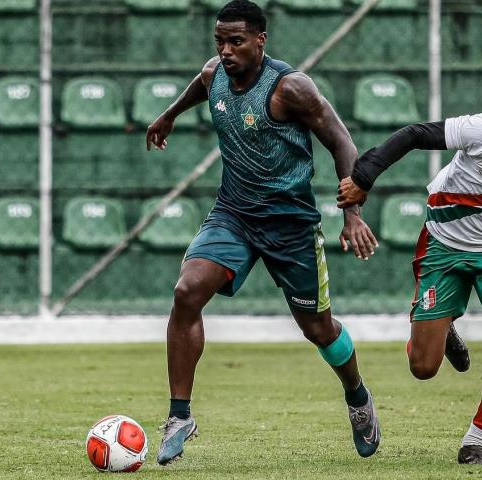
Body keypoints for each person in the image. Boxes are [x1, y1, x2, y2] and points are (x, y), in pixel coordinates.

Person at [146, 0, 380, 465]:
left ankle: (357, 395)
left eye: (236, 41)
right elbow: (202, 84)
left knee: (318, 329)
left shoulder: (291, 88)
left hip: (291, 226)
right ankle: (179, 415)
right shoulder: (215, 73)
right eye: (219, 41)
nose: (226, 51)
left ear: (260, 40)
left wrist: (352, 211)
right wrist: (169, 114)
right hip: (233, 215)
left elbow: (341, 141)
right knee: (186, 292)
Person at [337, 97, 482, 465]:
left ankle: (475, 440)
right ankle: (440, 326)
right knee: (423, 367)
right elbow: (415, 134)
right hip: (443, 244)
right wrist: (362, 177)